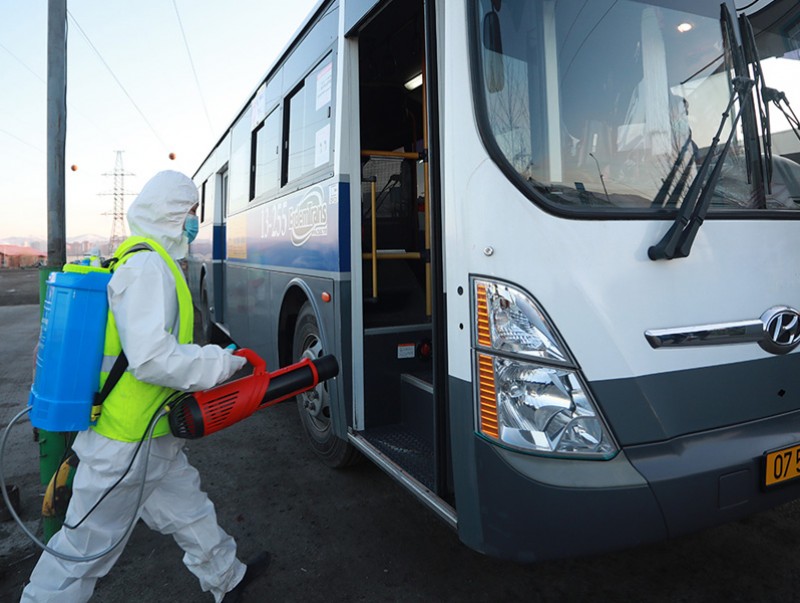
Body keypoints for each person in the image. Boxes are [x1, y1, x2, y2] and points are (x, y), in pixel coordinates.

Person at [22, 171, 269, 602]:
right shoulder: (145, 267)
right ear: (172, 212)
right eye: (192, 211)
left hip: (151, 434)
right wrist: (222, 363)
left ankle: (227, 579)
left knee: (190, 511)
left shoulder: (152, 261)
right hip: (123, 445)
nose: (194, 221)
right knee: (82, 550)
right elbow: (153, 358)